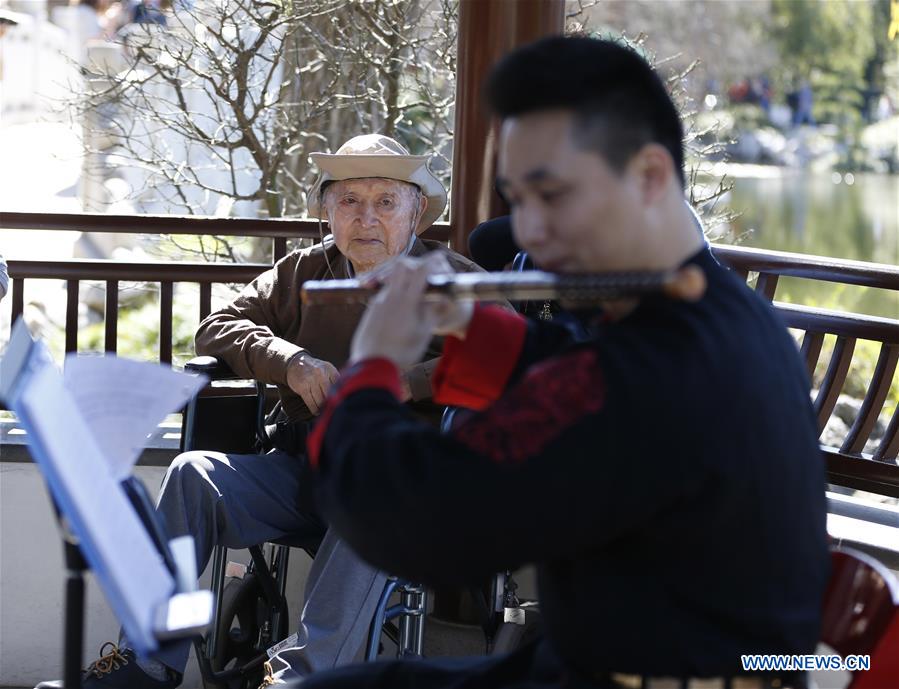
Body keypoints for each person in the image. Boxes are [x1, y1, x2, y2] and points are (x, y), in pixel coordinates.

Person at [285, 36, 830, 689]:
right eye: (520, 200)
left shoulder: (645, 371)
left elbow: (411, 524)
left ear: (650, 177)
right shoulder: (728, 314)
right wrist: (463, 320)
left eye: (553, 196)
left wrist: (373, 363)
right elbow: (576, 369)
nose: (530, 234)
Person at [35, 134, 487, 689]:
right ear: (326, 212)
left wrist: (408, 382)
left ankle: (298, 678)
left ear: (416, 212)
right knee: (193, 474)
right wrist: (289, 360)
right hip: (302, 467)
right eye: (349, 200)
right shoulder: (301, 272)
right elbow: (217, 326)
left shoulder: (456, 277)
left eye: (386, 201)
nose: (366, 217)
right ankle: (147, 664)